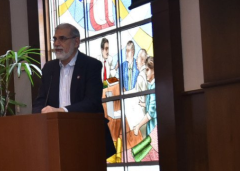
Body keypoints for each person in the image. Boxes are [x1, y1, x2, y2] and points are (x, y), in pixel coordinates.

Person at [32, 23, 116, 158]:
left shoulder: (91, 65)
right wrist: (39, 115)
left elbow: (92, 102)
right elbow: (40, 101)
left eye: (62, 39)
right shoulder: (49, 68)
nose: (56, 43)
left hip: (86, 136)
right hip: (55, 136)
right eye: (54, 39)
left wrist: (62, 111)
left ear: (76, 41)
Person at [133, 56, 156, 136]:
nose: (146, 73)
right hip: (151, 126)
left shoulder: (154, 87)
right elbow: (153, 103)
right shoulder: (150, 84)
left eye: (147, 70)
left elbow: (151, 113)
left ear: (153, 71)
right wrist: (144, 104)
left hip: (154, 127)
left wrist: (138, 126)